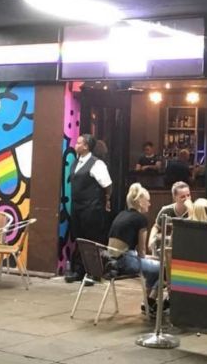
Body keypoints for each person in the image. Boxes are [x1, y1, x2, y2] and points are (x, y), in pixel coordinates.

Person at [108, 183, 164, 316]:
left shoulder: (121, 214)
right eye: (148, 201)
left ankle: (148, 302)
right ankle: (149, 302)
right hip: (125, 262)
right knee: (163, 269)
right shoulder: (140, 219)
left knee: (154, 269)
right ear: (139, 201)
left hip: (110, 261)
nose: (149, 204)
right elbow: (142, 252)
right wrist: (155, 258)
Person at [66, 134, 113, 283]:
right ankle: (79, 271)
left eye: (79, 142)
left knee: (91, 240)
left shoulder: (97, 164)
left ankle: (93, 273)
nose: (76, 144)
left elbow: (107, 185)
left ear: (86, 146)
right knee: (79, 238)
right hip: (77, 207)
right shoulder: (75, 162)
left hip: (92, 207)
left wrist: (106, 200)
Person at [148, 181, 190, 255]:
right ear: (175, 197)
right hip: (170, 247)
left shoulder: (194, 210)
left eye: (188, 195)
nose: (187, 199)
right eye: (183, 197)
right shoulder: (166, 210)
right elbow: (156, 226)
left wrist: (192, 211)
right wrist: (151, 240)